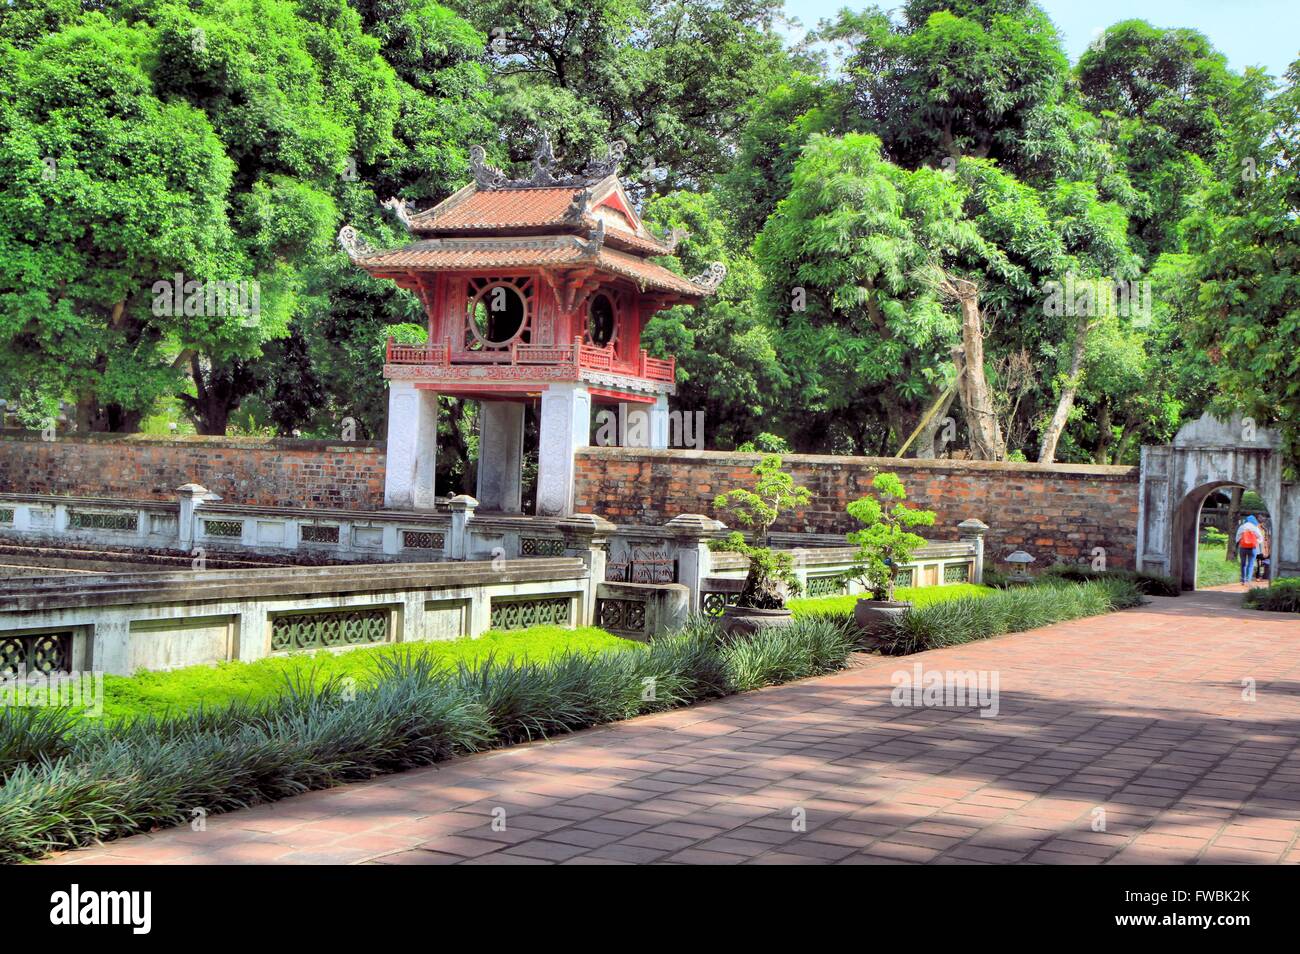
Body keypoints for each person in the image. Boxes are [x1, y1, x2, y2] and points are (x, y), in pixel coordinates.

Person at [1235, 514, 1263, 584]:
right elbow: (1260, 538)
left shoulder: (1242, 527)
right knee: (1250, 564)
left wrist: (1240, 542)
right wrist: (1256, 542)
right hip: (1252, 548)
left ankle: (1243, 580)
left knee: (1243, 564)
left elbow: (1237, 538)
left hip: (1243, 548)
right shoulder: (1255, 527)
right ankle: (1248, 580)